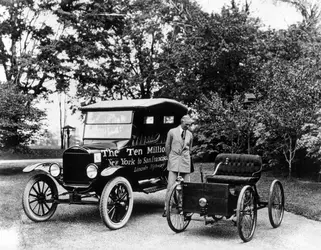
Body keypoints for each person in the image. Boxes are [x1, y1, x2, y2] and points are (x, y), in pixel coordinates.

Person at [163, 114, 194, 217]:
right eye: (186, 124)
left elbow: (190, 148)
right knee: (170, 185)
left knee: (186, 186)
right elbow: (167, 146)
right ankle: (167, 208)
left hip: (185, 160)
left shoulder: (190, 134)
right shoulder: (172, 132)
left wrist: (187, 156)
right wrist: (170, 158)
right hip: (174, 159)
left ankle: (183, 207)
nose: (188, 126)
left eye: (190, 124)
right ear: (182, 121)